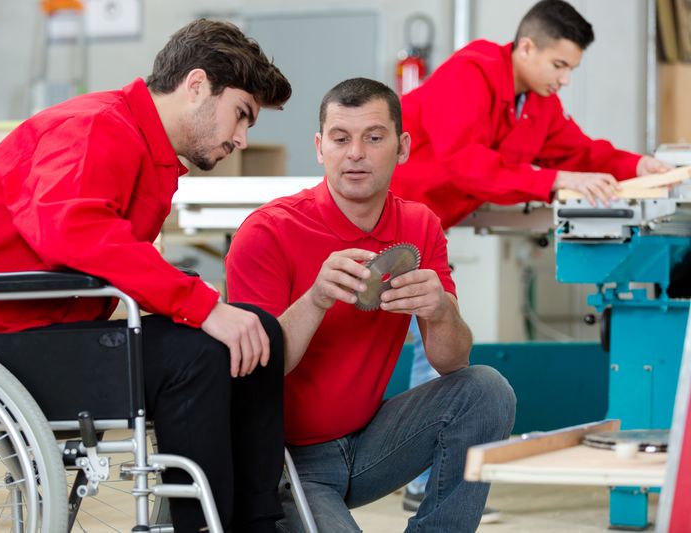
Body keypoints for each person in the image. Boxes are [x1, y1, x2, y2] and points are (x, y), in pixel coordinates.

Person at [0, 19, 292, 533]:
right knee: (201, 354)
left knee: (259, 332)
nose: (242, 139)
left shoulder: (140, 142)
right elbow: (74, 229)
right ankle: (207, 526)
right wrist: (203, 305)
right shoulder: (96, 126)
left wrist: (210, 309)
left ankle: (257, 521)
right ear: (197, 86)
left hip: (53, 325)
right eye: (241, 116)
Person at [391, 0, 670, 514]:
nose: (564, 79)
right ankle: (411, 481)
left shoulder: (536, 101)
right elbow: (466, 164)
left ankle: (420, 482)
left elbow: (579, 152)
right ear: (526, 47)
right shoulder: (470, 73)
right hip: (390, 225)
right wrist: (554, 181)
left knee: (430, 351)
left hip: (429, 231)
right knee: (427, 355)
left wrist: (638, 163)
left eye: (572, 69)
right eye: (559, 65)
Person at [225, 77, 516, 532]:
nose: (355, 153)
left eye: (373, 138)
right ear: (321, 147)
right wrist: (316, 298)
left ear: (401, 148)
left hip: (368, 445)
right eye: (341, 139)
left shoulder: (420, 225)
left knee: (485, 389)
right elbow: (256, 374)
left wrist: (440, 310)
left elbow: (450, 361)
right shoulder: (267, 232)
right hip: (283, 463)